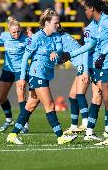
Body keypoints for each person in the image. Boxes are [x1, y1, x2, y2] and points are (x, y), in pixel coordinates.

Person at [59, 0, 108, 146]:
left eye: (86, 9)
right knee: (107, 100)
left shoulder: (107, 21)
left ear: (92, 8)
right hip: (106, 64)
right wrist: (70, 54)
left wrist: (103, 53)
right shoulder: (94, 25)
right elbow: (89, 46)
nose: (85, 12)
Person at [6, 8, 77, 145]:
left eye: (58, 22)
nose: (58, 25)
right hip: (36, 73)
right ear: (47, 23)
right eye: (56, 23)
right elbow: (26, 57)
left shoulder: (57, 37)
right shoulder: (37, 37)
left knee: (31, 105)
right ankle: (60, 136)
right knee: (50, 105)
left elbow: (59, 53)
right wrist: (21, 78)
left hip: (45, 74)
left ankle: (13, 134)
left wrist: (55, 54)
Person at [0, 17, 30, 133]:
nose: (17, 34)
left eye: (18, 31)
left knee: (21, 97)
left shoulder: (26, 39)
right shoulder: (4, 36)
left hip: (21, 71)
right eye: (14, 32)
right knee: (1, 97)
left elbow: (31, 50)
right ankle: (9, 120)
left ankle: (24, 124)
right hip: (7, 70)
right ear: (9, 31)